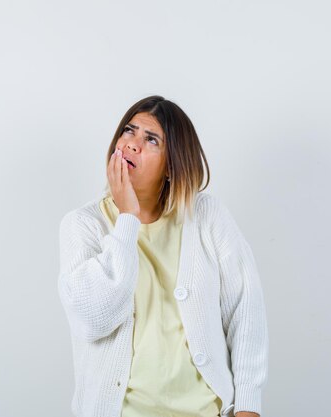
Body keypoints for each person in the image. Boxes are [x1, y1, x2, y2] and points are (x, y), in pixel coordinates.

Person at [57, 95, 268, 417]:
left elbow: (246, 309)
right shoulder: (84, 225)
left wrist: (249, 407)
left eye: (150, 139)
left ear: (172, 165)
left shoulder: (207, 216)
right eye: (128, 131)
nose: (132, 144)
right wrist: (127, 218)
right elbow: (92, 320)